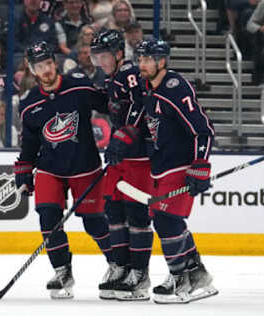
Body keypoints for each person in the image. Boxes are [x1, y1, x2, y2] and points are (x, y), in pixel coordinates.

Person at [15, 41, 113, 299]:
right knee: (48, 218)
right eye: (39, 66)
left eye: (48, 63)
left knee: (94, 223)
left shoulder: (78, 85)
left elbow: (109, 106)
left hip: (84, 165)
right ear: (32, 70)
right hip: (50, 168)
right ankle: (62, 271)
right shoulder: (28, 104)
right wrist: (24, 170)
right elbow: (30, 143)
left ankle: (118, 266)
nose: (46, 70)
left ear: (54, 62)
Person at [134, 39, 218, 304]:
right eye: (140, 59)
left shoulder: (175, 87)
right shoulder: (149, 88)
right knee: (168, 220)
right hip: (162, 166)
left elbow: (203, 130)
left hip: (181, 166)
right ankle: (198, 274)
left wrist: (201, 165)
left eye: (147, 59)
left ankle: (180, 279)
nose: (142, 64)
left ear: (161, 61)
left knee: (166, 220)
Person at [90, 29, 153, 301]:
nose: (101, 62)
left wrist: (126, 134)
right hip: (120, 156)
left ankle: (140, 273)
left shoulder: (131, 74)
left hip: (139, 156)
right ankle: (121, 266)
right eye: (97, 57)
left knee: (136, 212)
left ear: (118, 54)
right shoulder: (112, 77)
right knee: (113, 210)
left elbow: (145, 104)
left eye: (104, 56)